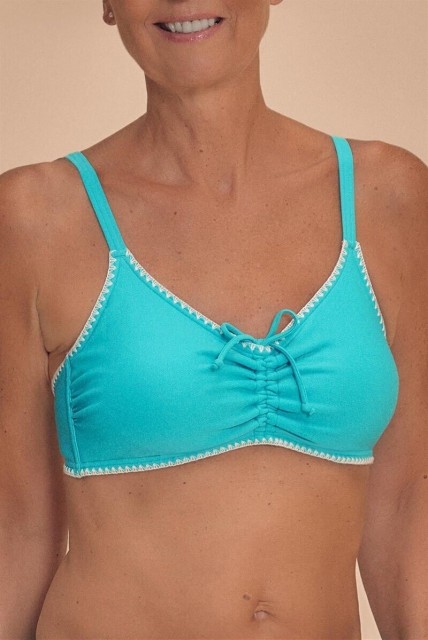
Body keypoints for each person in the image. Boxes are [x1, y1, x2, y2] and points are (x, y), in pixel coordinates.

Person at [1, 1, 427, 639]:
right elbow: (17, 524)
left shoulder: (389, 197)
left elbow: (407, 505)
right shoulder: (35, 218)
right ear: (109, 3)